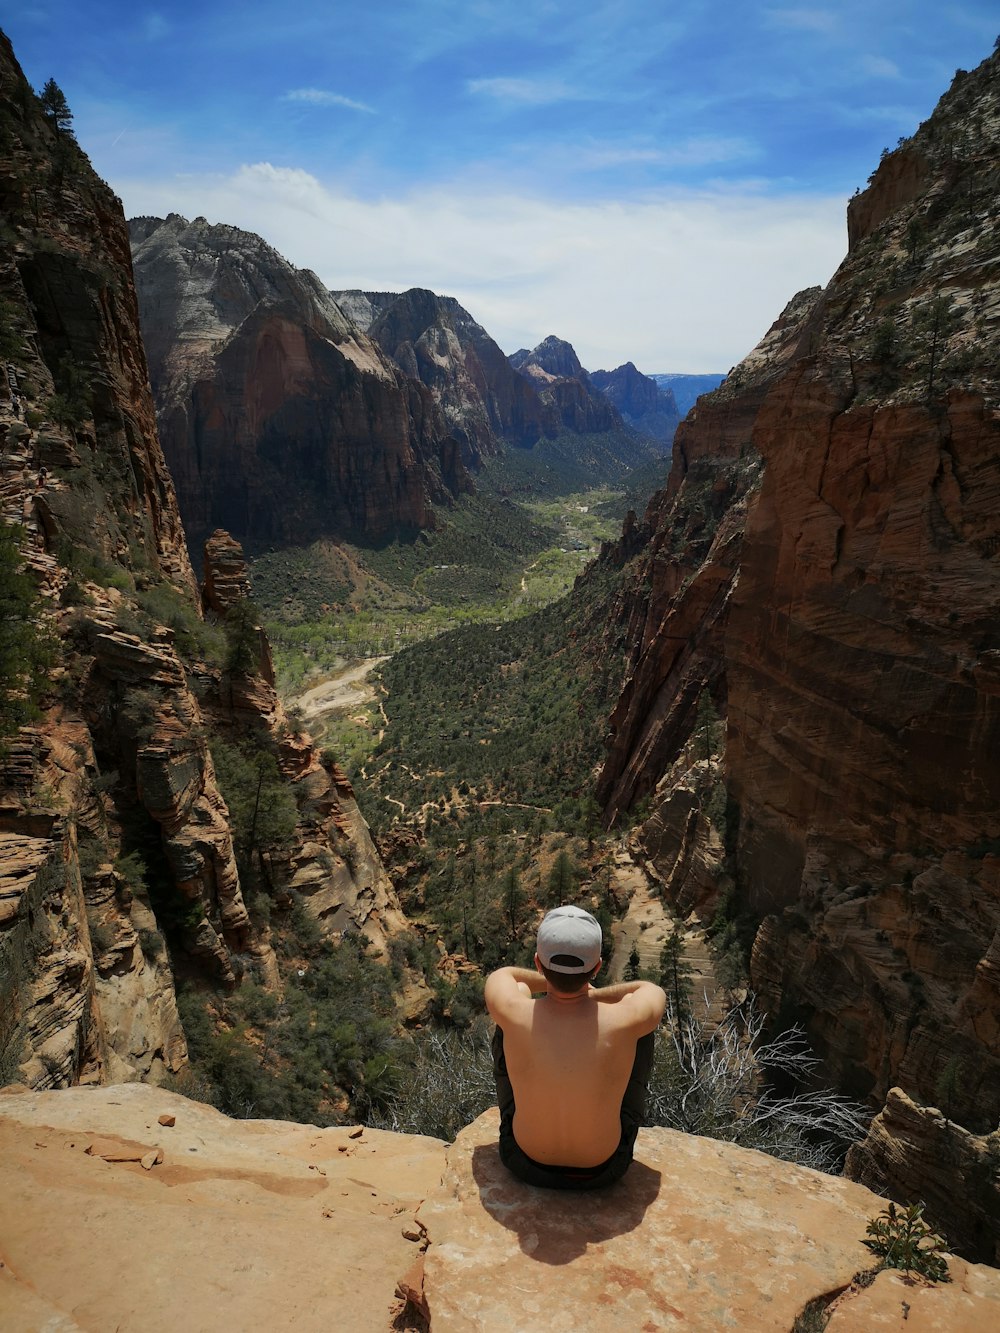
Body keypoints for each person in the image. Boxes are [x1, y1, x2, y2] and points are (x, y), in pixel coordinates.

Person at [485, 904, 666, 1190]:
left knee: (507, 1017)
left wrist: (551, 981)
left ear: (537, 963)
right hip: (605, 1170)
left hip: (523, 1160)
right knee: (641, 1029)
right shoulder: (624, 1019)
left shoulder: (512, 1009)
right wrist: (592, 995)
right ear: (597, 967)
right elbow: (649, 991)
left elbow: (508, 976)